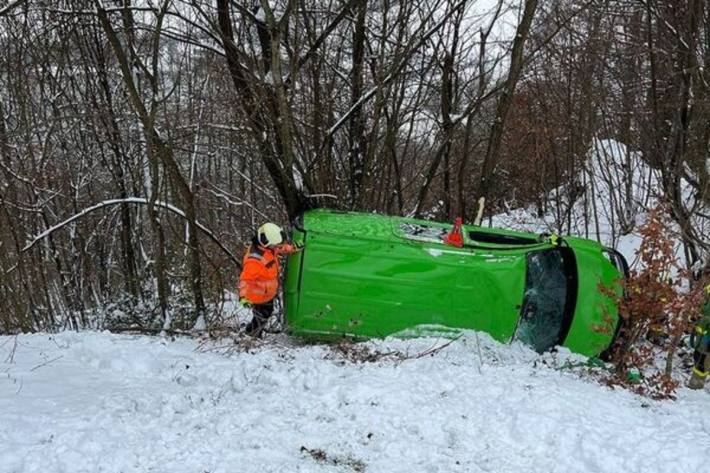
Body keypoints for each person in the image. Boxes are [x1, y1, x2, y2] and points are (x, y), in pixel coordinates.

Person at [238, 222, 302, 337]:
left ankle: (254, 332)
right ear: (265, 242)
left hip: (267, 293)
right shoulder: (254, 261)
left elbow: (280, 248)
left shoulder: (269, 248)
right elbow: (245, 280)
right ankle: (251, 335)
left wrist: (293, 248)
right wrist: (243, 297)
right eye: (274, 245)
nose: (277, 247)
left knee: (265, 314)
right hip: (258, 294)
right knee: (261, 316)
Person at [688, 284, 710, 390]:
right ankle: (695, 381)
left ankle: (697, 383)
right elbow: (701, 307)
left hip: (708, 336)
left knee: (704, 359)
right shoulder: (707, 289)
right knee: (697, 356)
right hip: (701, 334)